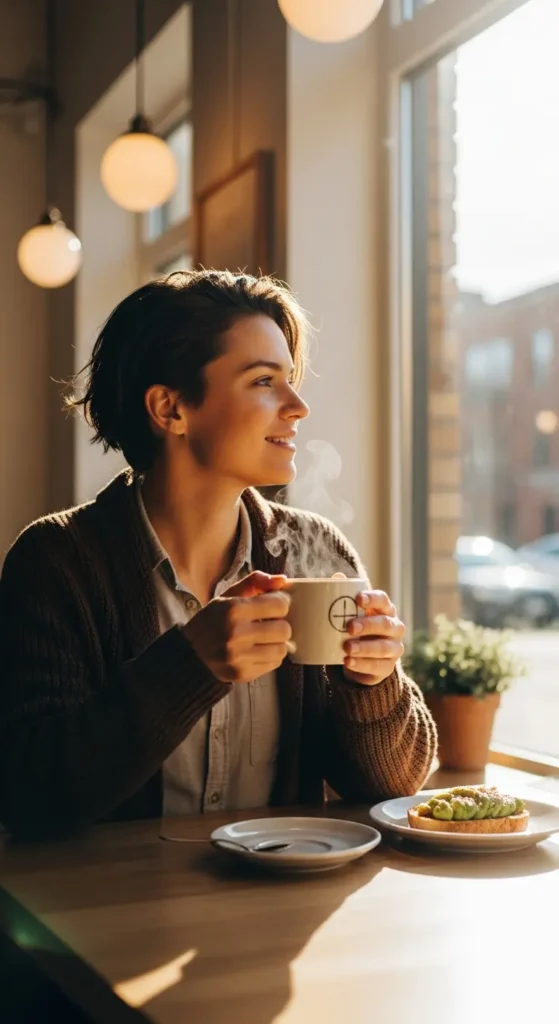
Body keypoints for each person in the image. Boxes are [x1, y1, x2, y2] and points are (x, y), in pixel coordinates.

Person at [0, 270, 436, 839]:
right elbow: (31, 794)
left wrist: (375, 685)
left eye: (291, 381)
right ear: (170, 409)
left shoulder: (316, 552)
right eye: (263, 381)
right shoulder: (57, 561)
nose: (298, 406)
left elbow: (395, 787)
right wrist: (190, 665)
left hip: (278, 909)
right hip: (106, 915)